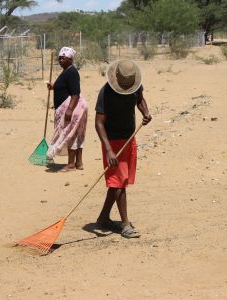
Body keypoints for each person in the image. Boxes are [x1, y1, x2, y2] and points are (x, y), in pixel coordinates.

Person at [95, 60, 152, 238]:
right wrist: (109, 150)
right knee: (119, 181)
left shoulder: (135, 86)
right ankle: (125, 224)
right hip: (112, 142)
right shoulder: (106, 92)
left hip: (129, 138)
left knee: (120, 180)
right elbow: (98, 123)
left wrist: (146, 112)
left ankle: (103, 218)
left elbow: (140, 99)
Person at [46, 47, 88, 172]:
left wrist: (69, 110)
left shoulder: (71, 72)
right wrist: (54, 87)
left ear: (71, 59)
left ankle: (70, 165)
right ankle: (78, 163)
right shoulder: (67, 71)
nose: (61, 60)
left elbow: (75, 93)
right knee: (76, 134)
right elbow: (66, 88)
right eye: (59, 58)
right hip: (75, 107)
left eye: (64, 58)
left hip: (73, 107)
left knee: (70, 134)